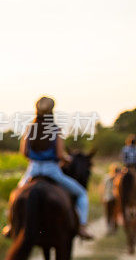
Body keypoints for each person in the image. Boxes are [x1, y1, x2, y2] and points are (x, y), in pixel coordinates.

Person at [12, 96, 93, 240]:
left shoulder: (30, 129)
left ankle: (11, 225)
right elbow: (59, 154)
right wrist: (67, 160)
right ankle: (82, 227)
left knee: (15, 195)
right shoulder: (55, 129)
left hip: (33, 169)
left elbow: (24, 152)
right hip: (52, 170)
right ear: (51, 112)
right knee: (81, 194)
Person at [102, 163, 119, 233]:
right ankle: (109, 228)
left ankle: (113, 228)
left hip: (112, 198)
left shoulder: (115, 177)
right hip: (108, 198)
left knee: (113, 214)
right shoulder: (109, 177)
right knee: (109, 213)